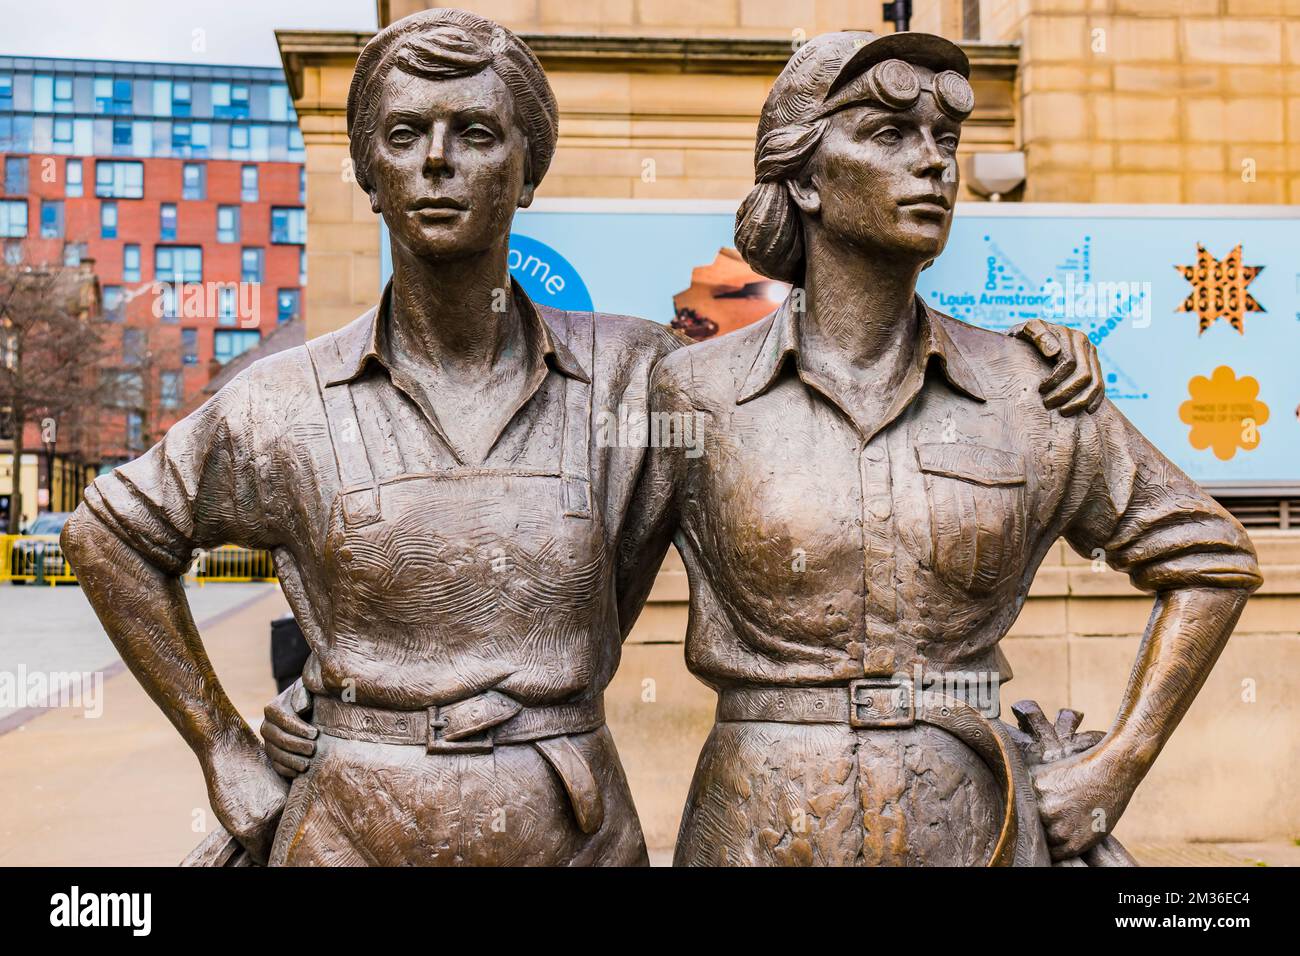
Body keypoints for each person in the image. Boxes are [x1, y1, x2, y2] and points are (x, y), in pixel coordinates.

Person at [120, 11, 1100, 866]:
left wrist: (1009, 362)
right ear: (368, 171)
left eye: (475, 133)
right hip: (352, 824)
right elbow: (115, 536)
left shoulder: (641, 376)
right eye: (404, 133)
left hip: (570, 828)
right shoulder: (284, 398)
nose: (436, 161)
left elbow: (818, 424)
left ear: (528, 168)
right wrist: (223, 744)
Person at [618, 31, 1262, 866]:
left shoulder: (1029, 391)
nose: (935, 164)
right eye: (889, 134)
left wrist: (1118, 765)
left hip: (972, 823)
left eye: (946, 139)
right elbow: (585, 608)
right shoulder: (691, 394)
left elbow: (1209, 559)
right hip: (762, 824)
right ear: (806, 179)